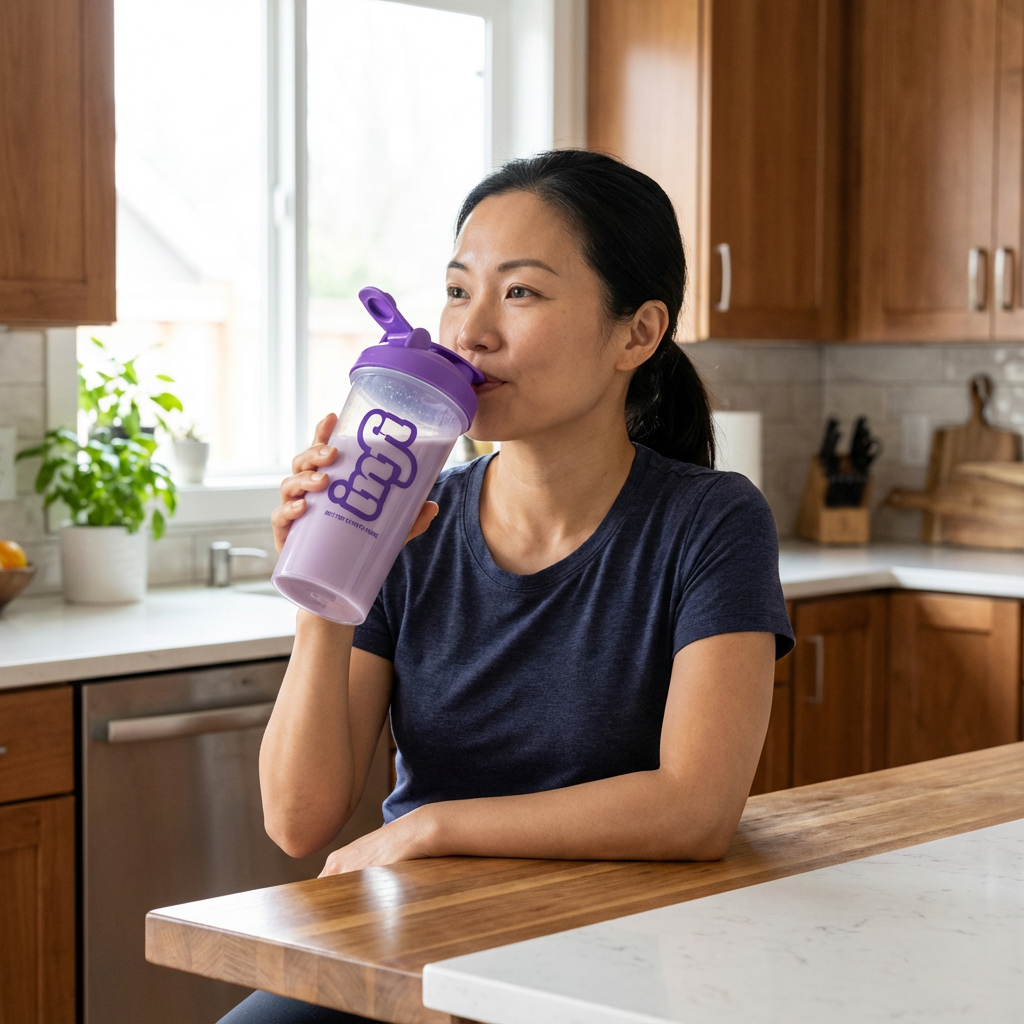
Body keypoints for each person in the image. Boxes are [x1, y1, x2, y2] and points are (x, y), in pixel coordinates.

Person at [220, 150, 794, 1024]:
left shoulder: (710, 522)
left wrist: (435, 826)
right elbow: (299, 823)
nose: (471, 332)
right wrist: (324, 589)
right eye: (458, 290)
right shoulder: (405, 521)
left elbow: (696, 809)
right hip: (418, 946)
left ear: (636, 334)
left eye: (519, 293)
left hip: (621, 954)